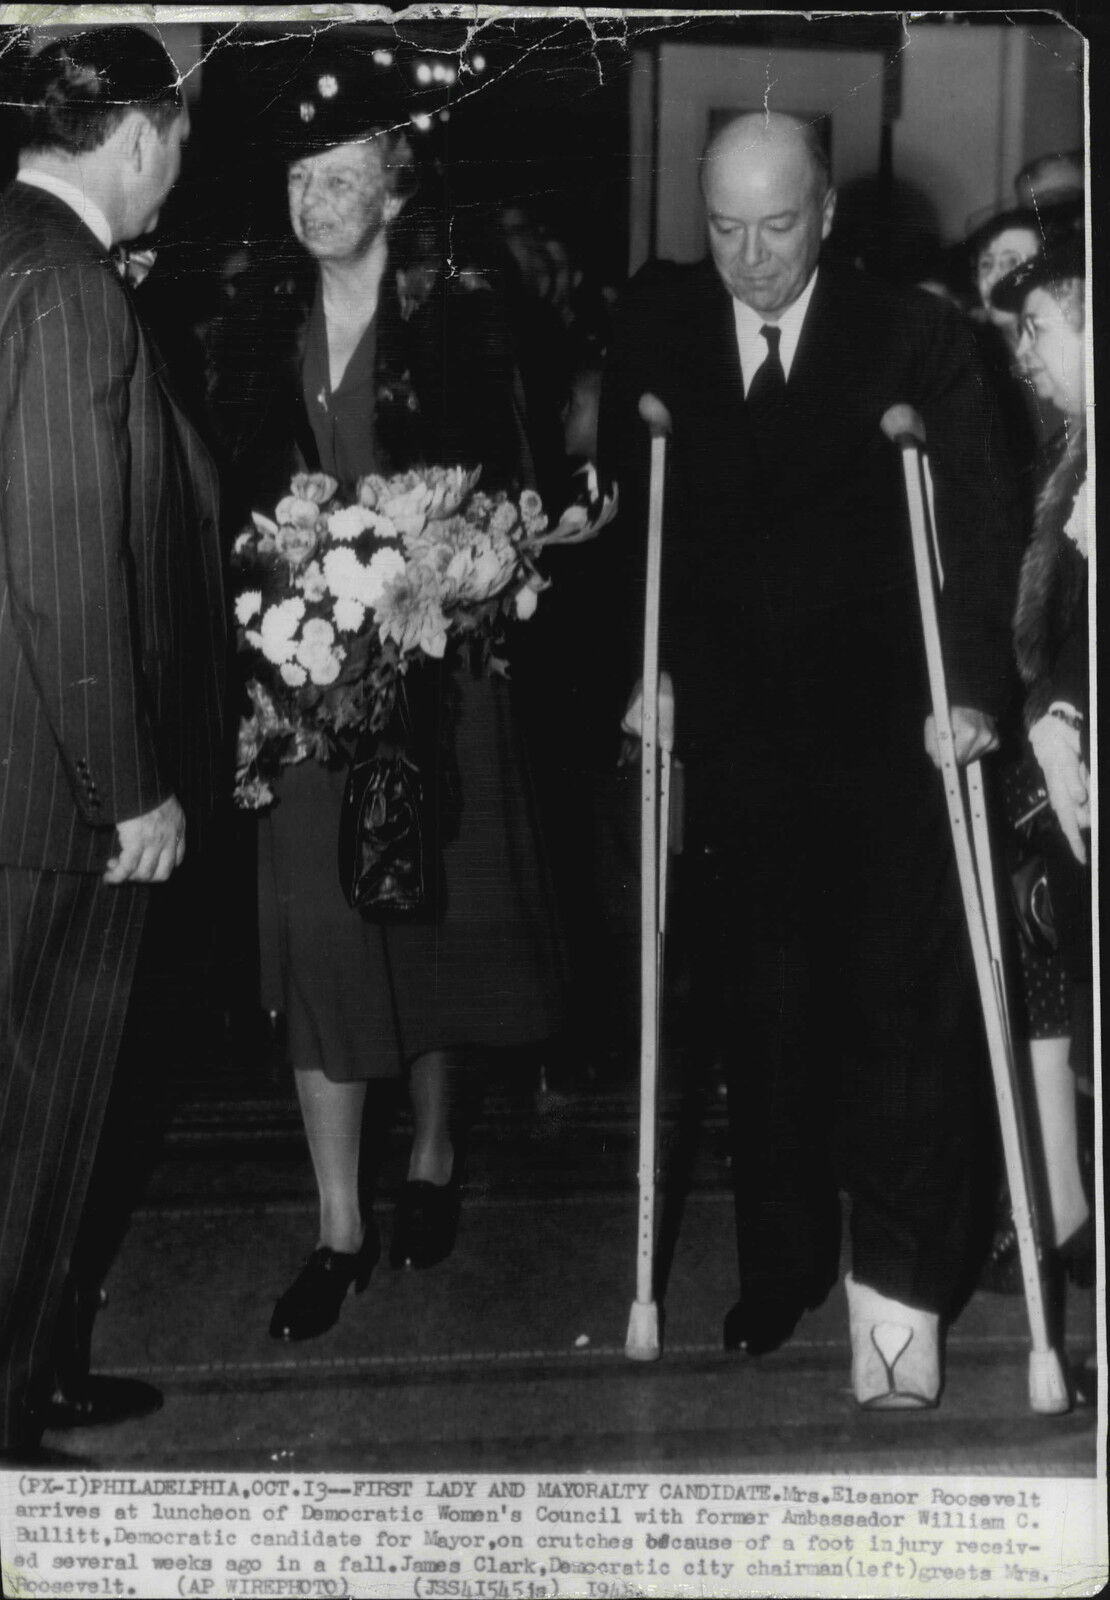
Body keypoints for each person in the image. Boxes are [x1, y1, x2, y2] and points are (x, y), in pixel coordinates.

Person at [601, 113, 1022, 1408]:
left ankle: (897, 1307)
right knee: (763, 1024)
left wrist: (966, 692)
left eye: (774, 226)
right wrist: (643, 674)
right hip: (737, 747)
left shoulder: (915, 338)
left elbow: (976, 526)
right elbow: (634, 540)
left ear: (825, 213)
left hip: (890, 742)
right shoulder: (663, 342)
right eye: (721, 227)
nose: (748, 256)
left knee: (898, 1031)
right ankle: (777, 1265)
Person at [207, 56, 562, 1342]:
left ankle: (431, 1154)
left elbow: (512, 498)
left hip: (433, 672)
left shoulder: (458, 311)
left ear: (396, 189)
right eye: (301, 176)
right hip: (301, 685)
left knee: (428, 924)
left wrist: (433, 570)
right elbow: (225, 502)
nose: (315, 197)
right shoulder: (254, 323)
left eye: (341, 173)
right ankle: (337, 1224)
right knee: (319, 941)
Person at [0, 27, 226, 1459]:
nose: (180, 168)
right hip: (51, 797)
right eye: (183, 139)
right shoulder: (71, 289)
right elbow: (63, 559)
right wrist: (128, 787)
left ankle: (34, 1363)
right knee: (36, 1128)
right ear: (138, 137)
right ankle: (11, 1417)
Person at [988, 236, 1092, 1287]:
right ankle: (1063, 1211)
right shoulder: (1078, 455)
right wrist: (1055, 707)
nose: (1029, 354)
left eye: (1044, 330)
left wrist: (1066, 704)